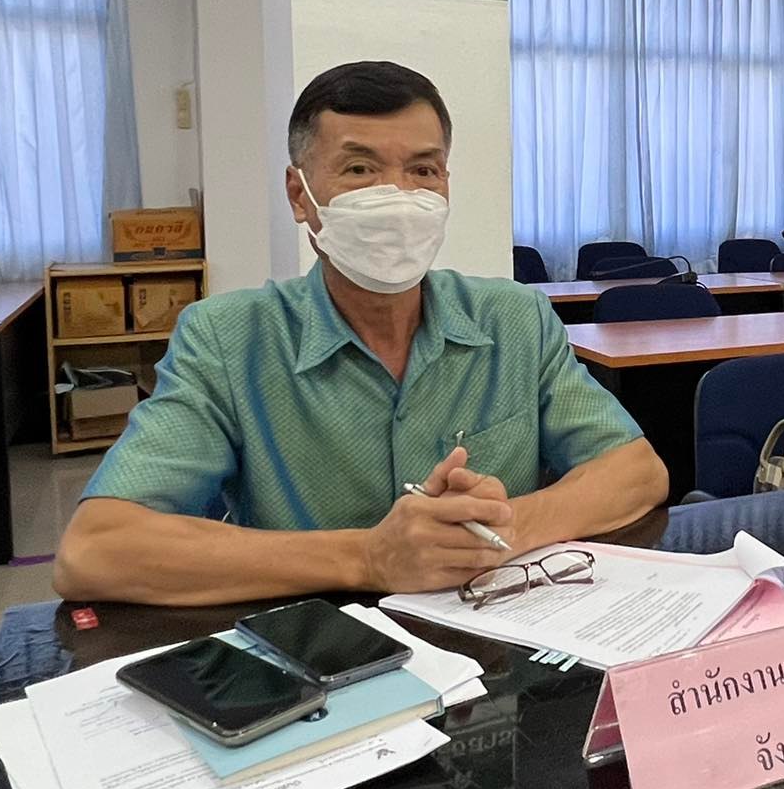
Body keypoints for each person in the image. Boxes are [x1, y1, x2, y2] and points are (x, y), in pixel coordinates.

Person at [55, 61, 668, 605]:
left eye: (423, 170)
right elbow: (97, 550)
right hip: (323, 665)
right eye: (358, 168)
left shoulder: (513, 319)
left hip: (499, 647)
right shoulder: (229, 339)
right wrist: (369, 557)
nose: (397, 197)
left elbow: (637, 473)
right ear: (300, 195)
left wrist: (501, 527)